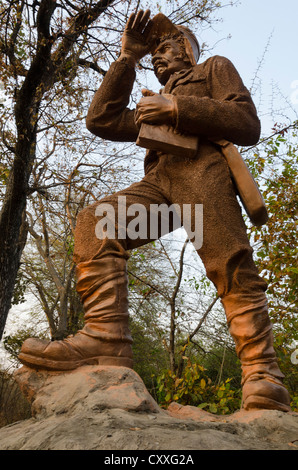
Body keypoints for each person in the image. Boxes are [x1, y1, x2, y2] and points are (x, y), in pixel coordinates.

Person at [19, 10, 291, 412]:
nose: (158, 58)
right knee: (96, 223)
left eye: (165, 48)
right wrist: (127, 58)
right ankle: (106, 337)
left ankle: (262, 373)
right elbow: (102, 119)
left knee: (228, 262)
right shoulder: (151, 102)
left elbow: (247, 123)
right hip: (160, 186)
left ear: (187, 49)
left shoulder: (212, 69)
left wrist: (178, 108)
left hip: (203, 176)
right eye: (154, 55)